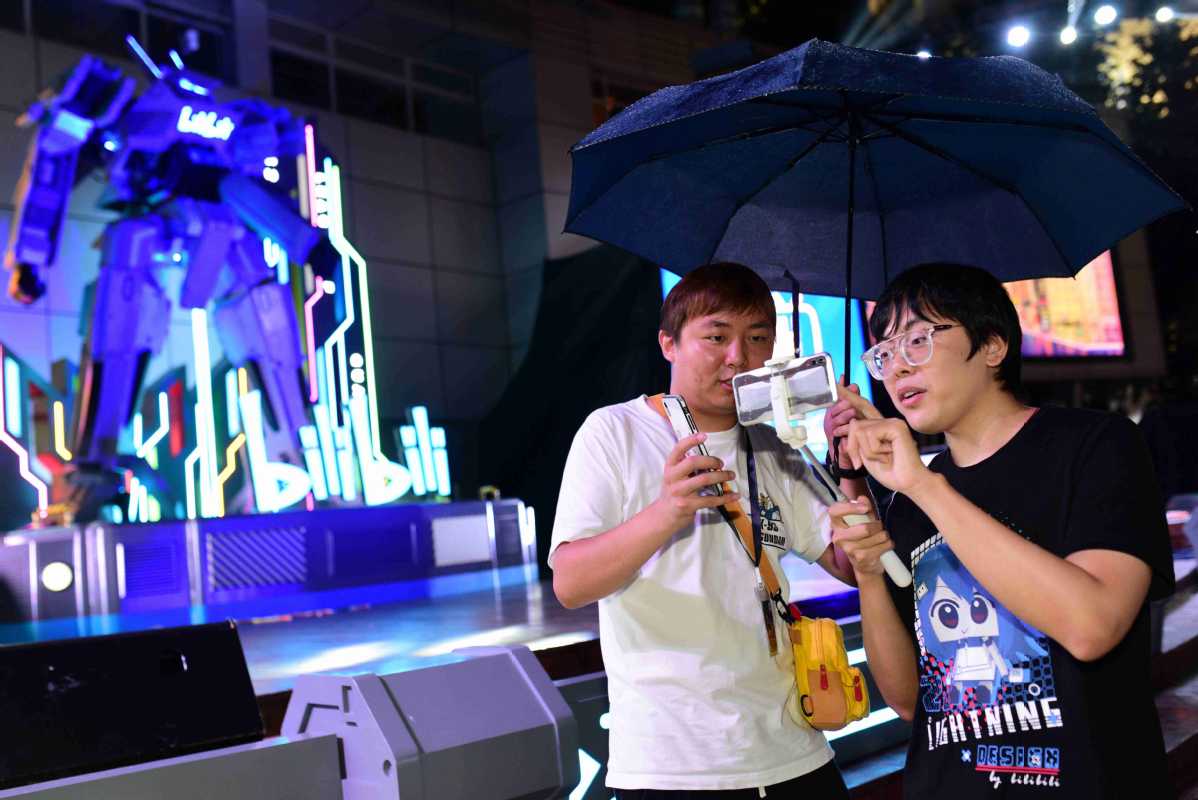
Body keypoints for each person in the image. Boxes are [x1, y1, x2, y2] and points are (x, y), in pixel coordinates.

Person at [823, 263, 1175, 798]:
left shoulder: (1095, 446)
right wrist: (870, 573)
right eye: (884, 353)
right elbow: (911, 701)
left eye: (918, 340)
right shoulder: (910, 498)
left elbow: (1092, 625)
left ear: (992, 346)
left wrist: (923, 485)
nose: (897, 367)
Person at [550, 262, 855, 798]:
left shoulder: (774, 445)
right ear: (668, 343)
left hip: (794, 749)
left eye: (757, 338)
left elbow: (850, 564)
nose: (738, 356)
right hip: (672, 765)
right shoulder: (614, 432)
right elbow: (571, 583)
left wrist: (851, 465)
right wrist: (667, 511)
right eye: (716, 336)